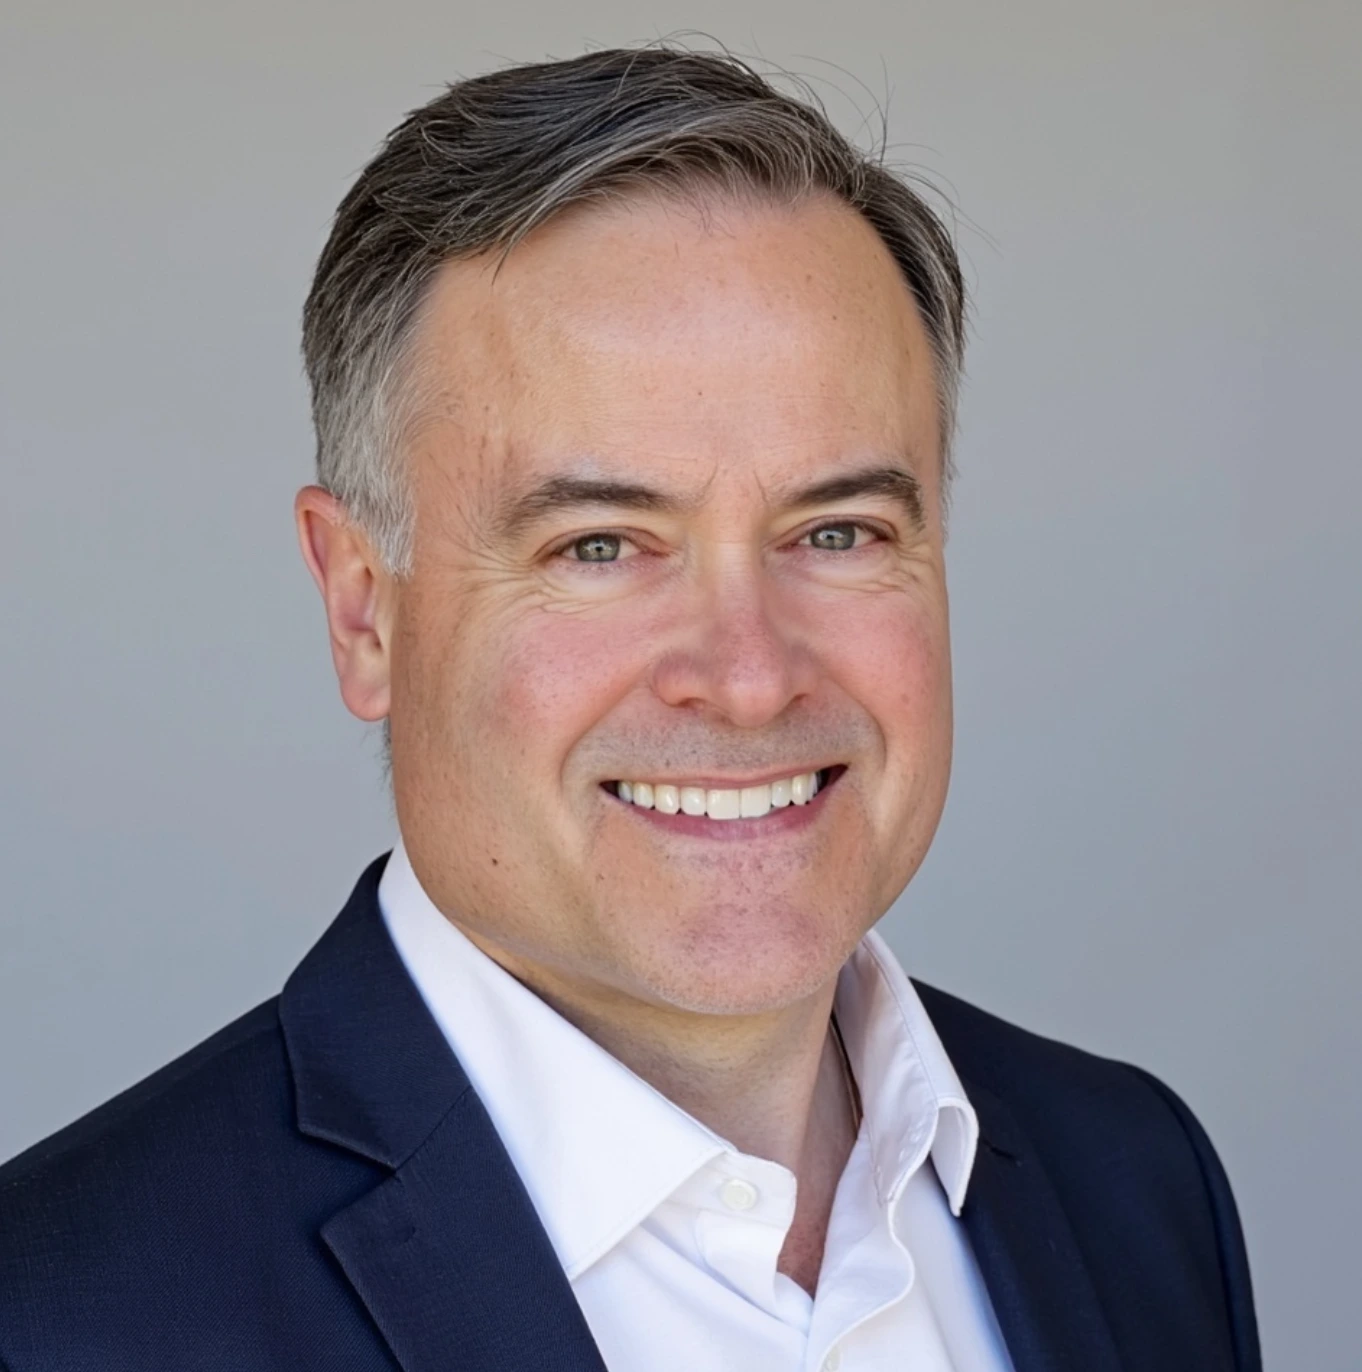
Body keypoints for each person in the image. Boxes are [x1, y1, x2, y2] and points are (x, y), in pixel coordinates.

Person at [0, 45, 1260, 1372]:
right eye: (598, 546)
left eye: (835, 531)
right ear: (365, 607)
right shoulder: (59, 1318)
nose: (748, 673)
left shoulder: (1133, 1183)